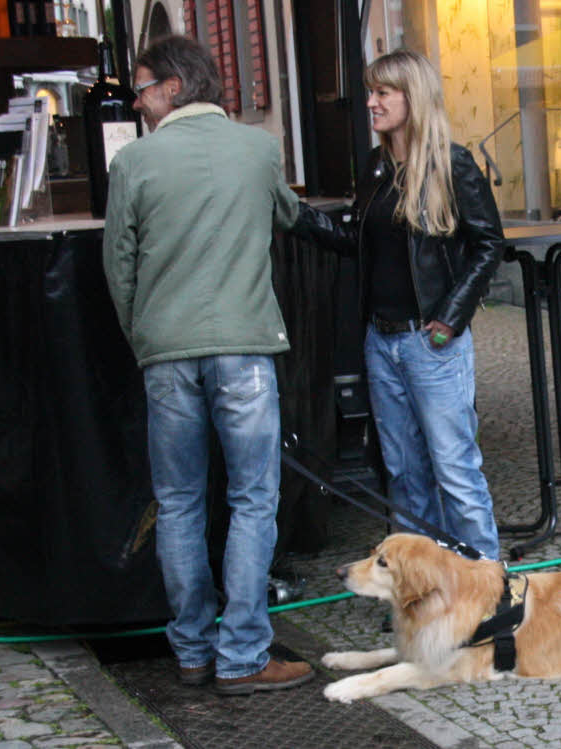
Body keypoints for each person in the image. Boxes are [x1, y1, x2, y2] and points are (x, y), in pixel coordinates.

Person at [102, 34, 313, 696]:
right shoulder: (257, 148)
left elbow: (119, 267)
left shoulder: (134, 162)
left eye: (140, 89)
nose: (135, 103)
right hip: (245, 344)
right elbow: (285, 212)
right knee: (254, 497)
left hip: (167, 348)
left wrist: (144, 336)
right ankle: (244, 653)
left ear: (172, 86)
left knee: (179, 501)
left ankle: (192, 649)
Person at [295, 48, 504, 560]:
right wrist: (297, 216)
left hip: (430, 343)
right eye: (371, 91)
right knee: (404, 476)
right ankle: (425, 592)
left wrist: (450, 320)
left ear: (413, 96)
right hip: (380, 341)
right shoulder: (375, 167)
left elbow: (489, 243)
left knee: (454, 470)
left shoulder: (452, 163)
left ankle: (492, 592)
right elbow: (357, 244)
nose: (370, 102)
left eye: (382, 92)